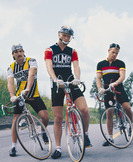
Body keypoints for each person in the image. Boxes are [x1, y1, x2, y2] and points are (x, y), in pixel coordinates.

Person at [44, 25, 92, 159]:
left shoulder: (72, 51)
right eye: (64, 35)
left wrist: (77, 78)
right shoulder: (50, 50)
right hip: (57, 82)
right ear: (59, 34)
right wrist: (54, 79)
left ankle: (86, 134)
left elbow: (76, 66)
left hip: (70, 80)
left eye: (68, 36)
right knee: (58, 118)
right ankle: (58, 148)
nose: (66, 38)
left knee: (84, 110)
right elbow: (48, 66)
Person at [7, 44, 49, 157]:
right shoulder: (11, 67)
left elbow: (32, 74)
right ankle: (13, 147)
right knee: (15, 119)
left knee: (45, 117)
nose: (19, 53)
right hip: (20, 96)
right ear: (13, 55)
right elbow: (10, 82)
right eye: (16, 52)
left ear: (23, 52)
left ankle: (43, 132)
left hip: (33, 94)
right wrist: (12, 95)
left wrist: (28, 88)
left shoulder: (31, 61)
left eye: (20, 51)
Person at [96, 43, 133, 146]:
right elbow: (98, 78)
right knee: (109, 112)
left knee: (127, 107)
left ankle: (131, 126)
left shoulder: (120, 63)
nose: (114, 55)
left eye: (116, 53)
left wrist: (116, 83)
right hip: (107, 89)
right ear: (108, 51)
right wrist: (100, 88)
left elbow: (122, 76)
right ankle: (110, 137)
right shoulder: (100, 64)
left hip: (118, 87)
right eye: (113, 52)